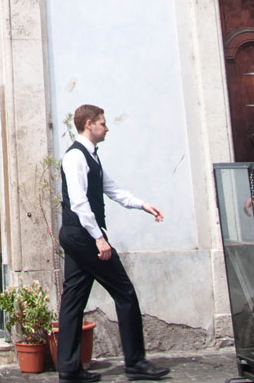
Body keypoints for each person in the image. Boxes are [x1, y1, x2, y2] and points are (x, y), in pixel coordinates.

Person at [57, 105, 169, 383]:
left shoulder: (91, 157)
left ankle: (69, 370)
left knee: (73, 300)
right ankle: (136, 362)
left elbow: (113, 190)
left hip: (78, 235)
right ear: (89, 124)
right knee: (124, 292)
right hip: (83, 235)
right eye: (103, 123)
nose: (107, 128)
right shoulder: (75, 157)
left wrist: (143, 205)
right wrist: (99, 238)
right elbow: (79, 202)